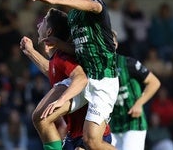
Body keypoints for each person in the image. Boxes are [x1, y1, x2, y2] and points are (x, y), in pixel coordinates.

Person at [29, 0, 119, 150]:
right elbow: (78, 49)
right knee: (42, 117)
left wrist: (54, 0)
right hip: (86, 80)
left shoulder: (96, 6)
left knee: (91, 142)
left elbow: (93, 6)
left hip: (103, 81)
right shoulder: (72, 16)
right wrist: (58, 44)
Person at [20, 8, 113, 150]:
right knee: (41, 118)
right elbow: (51, 71)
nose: (38, 25)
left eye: (43, 22)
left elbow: (81, 78)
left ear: (49, 32)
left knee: (41, 118)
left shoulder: (64, 57)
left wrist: (62, 99)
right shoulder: (57, 59)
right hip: (73, 135)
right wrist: (31, 52)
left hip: (91, 135)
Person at [110, 30, 161, 150]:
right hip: (112, 125)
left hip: (133, 123)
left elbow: (154, 82)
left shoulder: (128, 63)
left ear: (116, 44)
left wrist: (139, 104)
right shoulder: (97, 68)